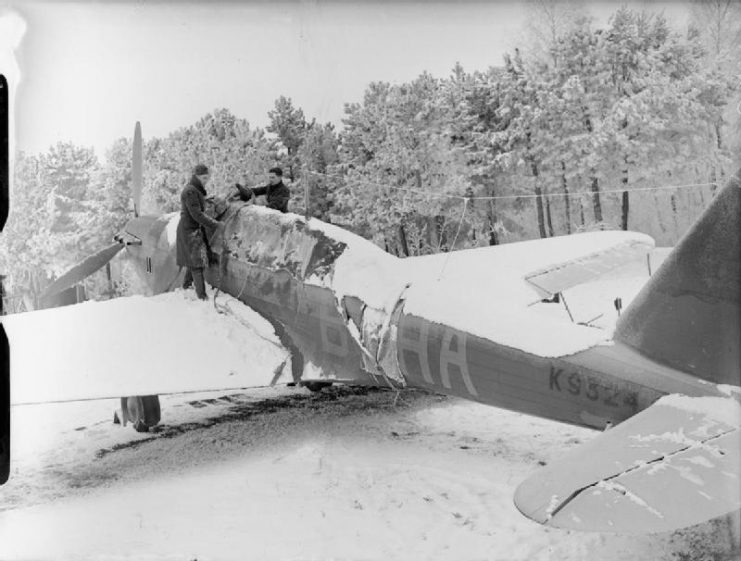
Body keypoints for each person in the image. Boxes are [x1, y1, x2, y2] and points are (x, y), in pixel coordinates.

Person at [176, 164, 222, 300]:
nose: (206, 180)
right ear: (196, 176)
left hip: (191, 228)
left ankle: (186, 286)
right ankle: (202, 297)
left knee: (192, 260)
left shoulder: (195, 189)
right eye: (204, 177)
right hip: (188, 230)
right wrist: (215, 224)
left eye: (207, 177)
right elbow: (196, 214)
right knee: (197, 263)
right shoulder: (191, 191)